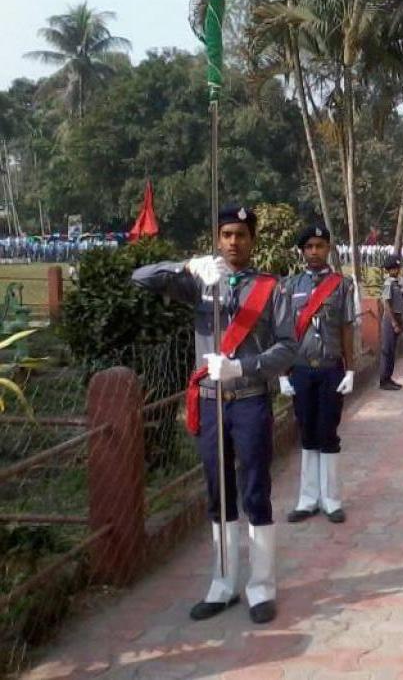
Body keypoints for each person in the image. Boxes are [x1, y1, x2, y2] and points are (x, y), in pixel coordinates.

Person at [132, 205, 296, 624]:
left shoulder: (271, 288)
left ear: (252, 239)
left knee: (256, 490)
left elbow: (288, 347)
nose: (233, 242)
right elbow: (142, 278)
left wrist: (245, 366)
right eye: (225, 235)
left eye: (240, 234)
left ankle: (260, 587)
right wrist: (186, 264)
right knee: (217, 492)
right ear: (217, 239)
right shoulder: (200, 283)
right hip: (209, 402)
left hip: (249, 398)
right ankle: (223, 583)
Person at [278, 225, 356, 525]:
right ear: (302, 250)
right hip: (300, 368)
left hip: (329, 368)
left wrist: (350, 368)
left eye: (319, 246)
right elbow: (283, 331)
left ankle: (332, 500)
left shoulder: (342, 285)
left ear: (328, 249)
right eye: (309, 246)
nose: (314, 251)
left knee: (328, 431)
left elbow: (347, 327)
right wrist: (282, 373)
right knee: (307, 431)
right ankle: (307, 499)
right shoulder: (289, 284)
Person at [379, 255, 403, 390]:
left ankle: (389, 377)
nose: (397, 270)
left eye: (397, 268)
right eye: (394, 268)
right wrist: (394, 323)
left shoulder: (396, 283)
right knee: (387, 350)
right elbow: (387, 304)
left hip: (397, 318)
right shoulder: (388, 283)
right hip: (390, 320)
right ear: (389, 269)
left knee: (392, 350)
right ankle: (384, 380)